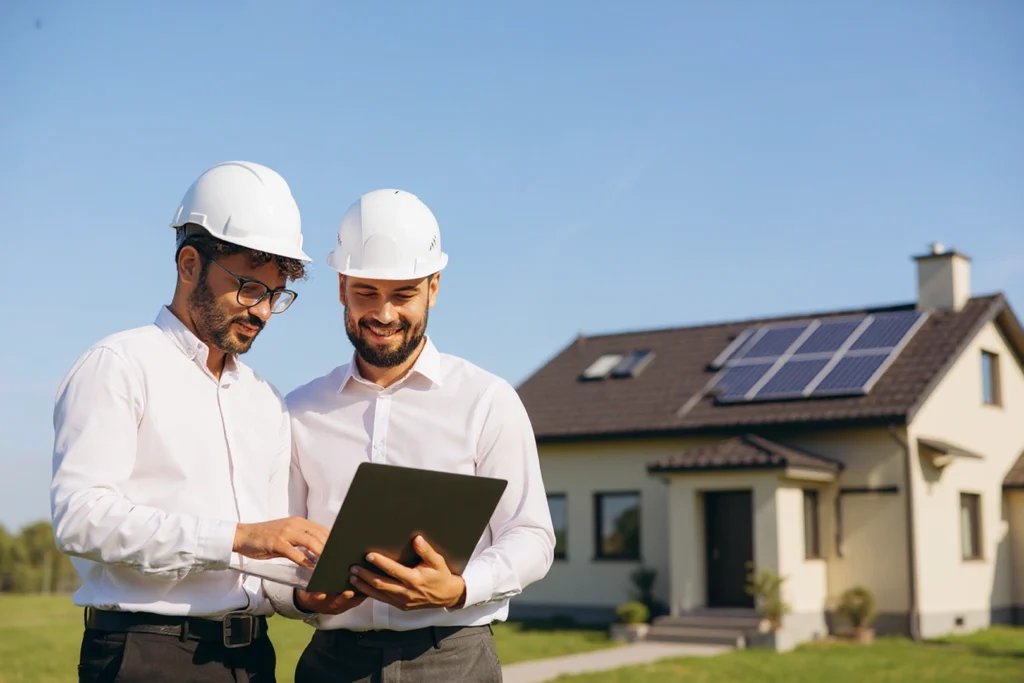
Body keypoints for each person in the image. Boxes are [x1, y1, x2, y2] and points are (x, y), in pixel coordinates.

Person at [50, 161, 342, 683]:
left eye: (276, 295)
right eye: (250, 288)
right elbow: (81, 518)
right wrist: (235, 537)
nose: (263, 312)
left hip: (252, 661)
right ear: (189, 264)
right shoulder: (119, 365)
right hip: (147, 656)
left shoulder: (265, 402)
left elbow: (262, 560)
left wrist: (304, 594)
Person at [274, 189, 556, 682]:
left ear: (434, 288)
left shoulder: (487, 400)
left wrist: (462, 588)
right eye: (366, 292)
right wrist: (301, 597)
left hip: (453, 657)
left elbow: (531, 535)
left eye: (403, 294)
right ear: (341, 286)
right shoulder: (299, 411)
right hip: (333, 662)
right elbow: (279, 546)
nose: (383, 315)